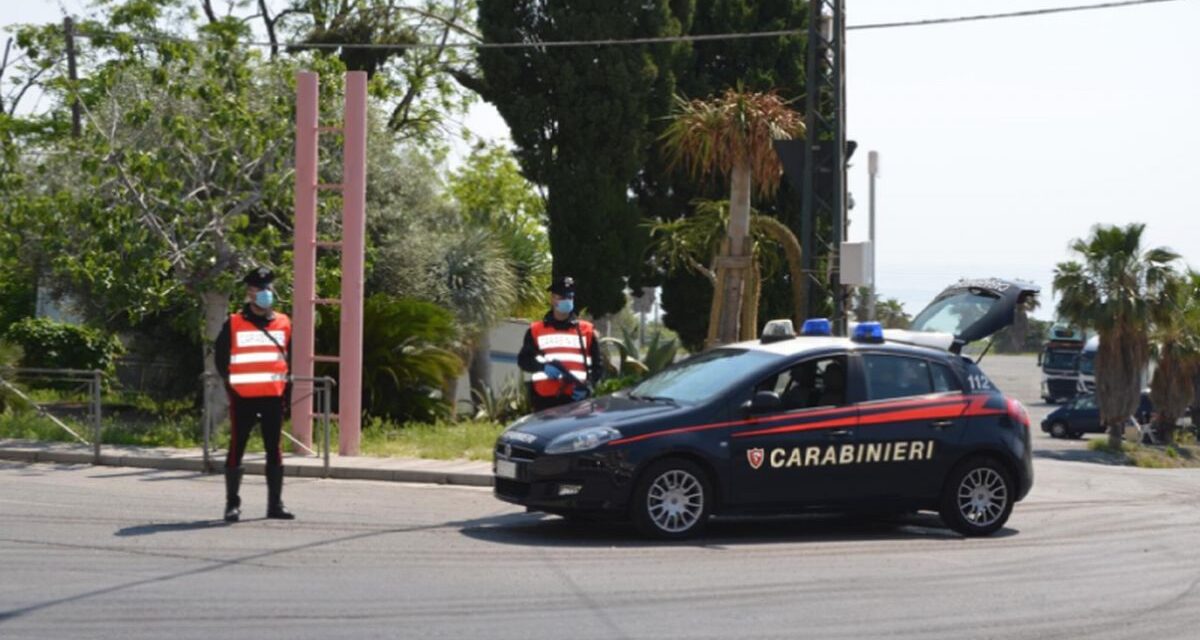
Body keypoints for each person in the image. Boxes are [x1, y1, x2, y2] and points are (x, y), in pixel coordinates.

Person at [213, 267, 295, 522]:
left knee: (275, 449)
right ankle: (232, 505)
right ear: (249, 293)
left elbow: (288, 360)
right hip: (243, 398)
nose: (264, 293)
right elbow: (220, 359)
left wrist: (286, 395)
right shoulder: (234, 323)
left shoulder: (284, 322)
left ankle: (275, 505)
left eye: (268, 288)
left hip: (273, 397)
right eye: (259, 289)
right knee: (237, 448)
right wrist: (232, 388)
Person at [517, 276, 604, 412]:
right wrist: (543, 367)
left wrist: (588, 386)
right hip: (544, 400)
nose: (566, 301)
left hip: (577, 401)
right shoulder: (536, 330)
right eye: (562, 297)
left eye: (570, 297)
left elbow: (598, 367)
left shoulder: (587, 330)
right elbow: (523, 361)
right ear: (552, 299)